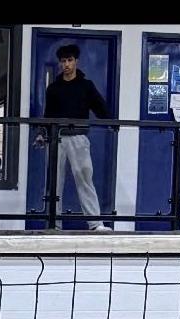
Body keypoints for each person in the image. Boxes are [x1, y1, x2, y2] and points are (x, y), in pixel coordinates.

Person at [39, 42, 111, 232]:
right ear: (60, 63)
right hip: (56, 139)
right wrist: (42, 134)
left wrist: (112, 122)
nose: (66, 64)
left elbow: (100, 108)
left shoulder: (86, 86)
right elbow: (48, 115)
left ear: (76, 61)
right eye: (63, 61)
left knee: (85, 180)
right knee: (54, 183)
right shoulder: (54, 88)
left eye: (69, 60)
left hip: (78, 137)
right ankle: (54, 224)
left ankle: (95, 224)